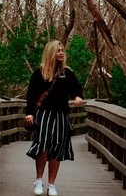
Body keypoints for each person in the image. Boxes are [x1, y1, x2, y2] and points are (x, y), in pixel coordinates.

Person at [25, 40, 85, 196]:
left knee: (57, 148)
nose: (61, 53)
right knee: (43, 144)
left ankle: (51, 184)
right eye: (58, 50)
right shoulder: (40, 73)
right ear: (51, 52)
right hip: (44, 113)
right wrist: (30, 113)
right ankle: (39, 180)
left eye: (62, 50)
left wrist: (78, 97)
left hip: (61, 115)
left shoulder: (67, 73)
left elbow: (77, 90)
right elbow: (31, 95)